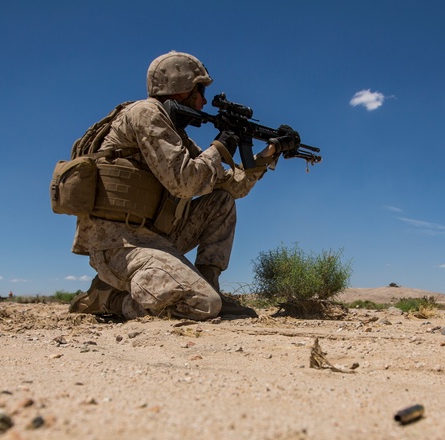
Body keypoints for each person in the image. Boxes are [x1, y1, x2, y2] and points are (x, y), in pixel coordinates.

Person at [68, 51, 298, 320]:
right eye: (199, 91)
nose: (202, 101)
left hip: (154, 237)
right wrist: (220, 146)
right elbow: (185, 184)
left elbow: (232, 187)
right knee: (201, 304)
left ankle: (209, 283)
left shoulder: (178, 137)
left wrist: (269, 152)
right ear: (180, 88)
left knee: (221, 201)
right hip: (119, 244)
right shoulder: (145, 113)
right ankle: (106, 299)